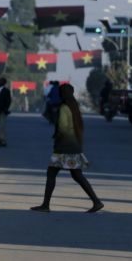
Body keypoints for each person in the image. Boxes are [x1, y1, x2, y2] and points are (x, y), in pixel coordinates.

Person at [31, 83, 104, 213]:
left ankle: (45, 205)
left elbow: (63, 128)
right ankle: (96, 201)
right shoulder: (74, 106)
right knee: (77, 175)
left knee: (51, 173)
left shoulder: (64, 107)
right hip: (74, 145)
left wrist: (57, 137)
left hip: (64, 147)